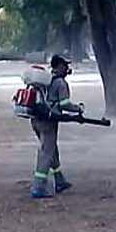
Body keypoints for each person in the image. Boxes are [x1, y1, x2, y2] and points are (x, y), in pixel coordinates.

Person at [31, 54, 78, 199]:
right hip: (48, 122)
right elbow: (65, 105)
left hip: (36, 120)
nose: (67, 69)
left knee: (52, 150)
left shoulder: (45, 81)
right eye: (65, 65)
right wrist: (78, 109)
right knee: (46, 153)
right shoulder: (60, 83)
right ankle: (38, 187)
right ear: (59, 66)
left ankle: (59, 181)